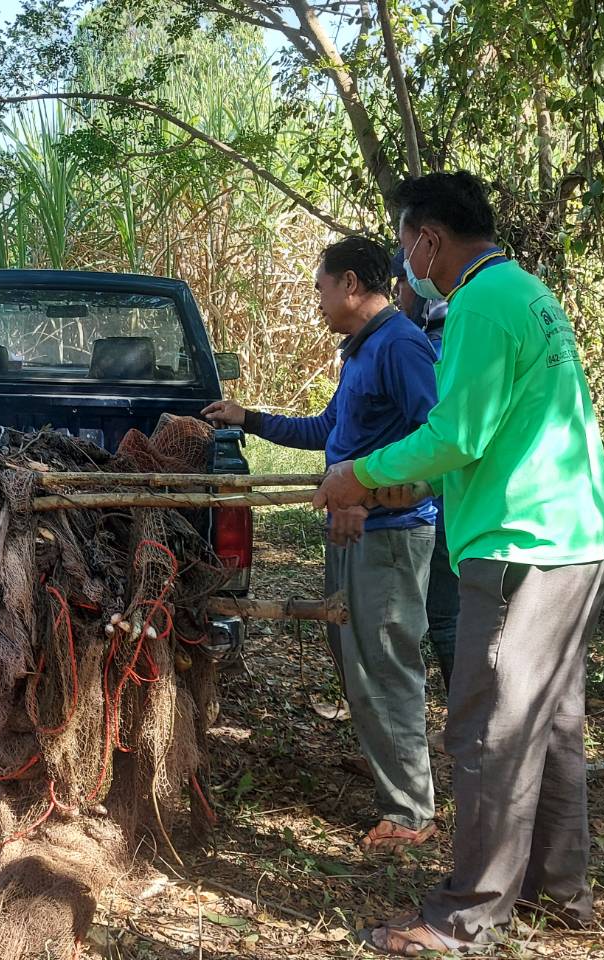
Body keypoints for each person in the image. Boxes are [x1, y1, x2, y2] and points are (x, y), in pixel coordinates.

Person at [314, 171, 604, 955]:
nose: (403, 260)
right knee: (549, 723)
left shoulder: (482, 303)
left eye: (404, 243)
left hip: (522, 544)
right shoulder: (525, 291)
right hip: (574, 534)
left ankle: (465, 915)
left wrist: (360, 474)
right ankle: (559, 892)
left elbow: (458, 433)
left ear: (427, 238)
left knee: (489, 727)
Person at [204, 236, 442, 852]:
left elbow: (436, 446)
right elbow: (328, 430)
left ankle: (411, 813)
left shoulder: (401, 346)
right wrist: (247, 418)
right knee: (356, 661)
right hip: (352, 529)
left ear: (353, 286)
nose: (317, 298)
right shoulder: (360, 353)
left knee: (384, 664)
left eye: (321, 286)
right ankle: (389, 762)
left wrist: (366, 498)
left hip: (388, 535)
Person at [391, 247, 459, 690]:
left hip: (438, 498)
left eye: (404, 283)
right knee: (448, 616)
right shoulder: (446, 334)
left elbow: (437, 432)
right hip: (445, 494)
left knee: (445, 617)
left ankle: (468, 728)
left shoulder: (425, 346)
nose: (401, 293)